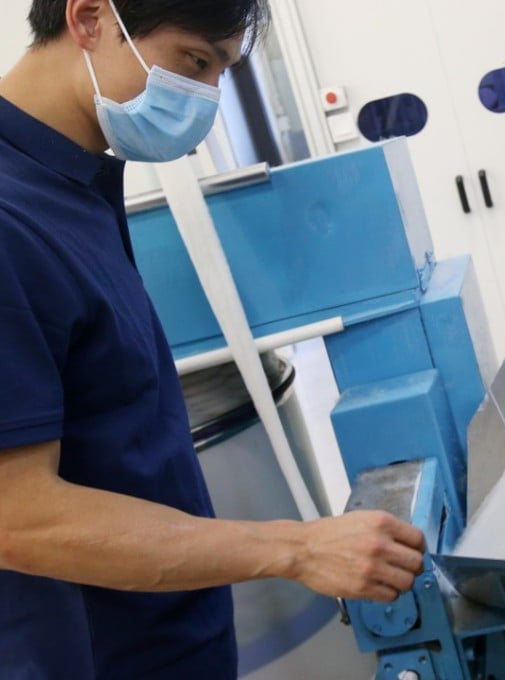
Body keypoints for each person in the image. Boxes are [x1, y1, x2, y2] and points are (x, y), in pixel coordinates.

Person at [0, 1, 426, 677]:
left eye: (220, 73)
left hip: (170, 636)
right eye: (194, 62)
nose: (204, 99)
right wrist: (295, 549)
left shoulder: (71, 184)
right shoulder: (11, 218)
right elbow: (17, 516)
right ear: (88, 18)